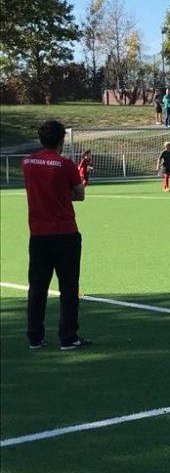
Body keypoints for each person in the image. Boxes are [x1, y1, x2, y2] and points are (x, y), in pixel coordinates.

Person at [22, 120, 91, 350]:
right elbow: (79, 194)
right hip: (65, 233)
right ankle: (68, 337)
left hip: (38, 234)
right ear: (62, 139)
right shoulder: (65, 165)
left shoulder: (27, 162)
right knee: (68, 288)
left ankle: (35, 337)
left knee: (37, 288)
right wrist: (62, 193)